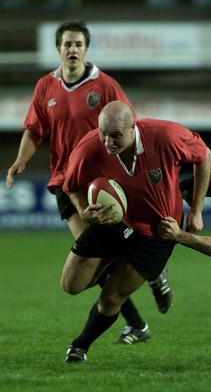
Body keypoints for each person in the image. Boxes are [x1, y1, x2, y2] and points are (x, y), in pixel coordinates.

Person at [5, 20, 173, 345]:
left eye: (78, 44)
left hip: (101, 180)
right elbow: (35, 129)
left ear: (86, 48)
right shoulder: (45, 87)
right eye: (67, 43)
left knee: (98, 254)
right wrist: (22, 159)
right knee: (91, 255)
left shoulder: (105, 85)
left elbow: (129, 125)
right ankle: (144, 302)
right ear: (58, 48)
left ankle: (145, 291)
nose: (73, 49)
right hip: (65, 182)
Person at [61, 100, 211, 362]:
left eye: (116, 135)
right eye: (103, 134)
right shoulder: (88, 148)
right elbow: (71, 185)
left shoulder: (165, 136)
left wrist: (196, 209)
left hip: (157, 232)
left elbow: (204, 155)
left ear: (133, 128)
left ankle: (80, 347)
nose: (108, 142)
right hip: (110, 224)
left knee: (112, 298)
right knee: (71, 286)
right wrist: (86, 210)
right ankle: (151, 272)